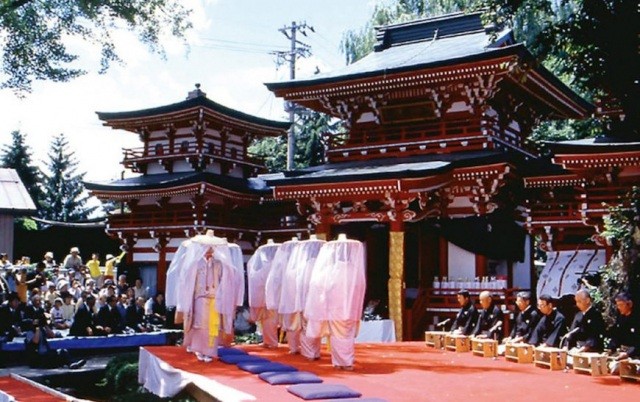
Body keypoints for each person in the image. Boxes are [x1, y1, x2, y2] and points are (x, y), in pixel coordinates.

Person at [608, 292, 640, 373]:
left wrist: (628, 353)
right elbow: (616, 335)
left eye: (621, 305)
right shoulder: (621, 318)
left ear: (629, 304)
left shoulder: (637, 319)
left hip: (635, 354)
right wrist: (611, 348)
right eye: (618, 305)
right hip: (622, 352)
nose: (619, 308)